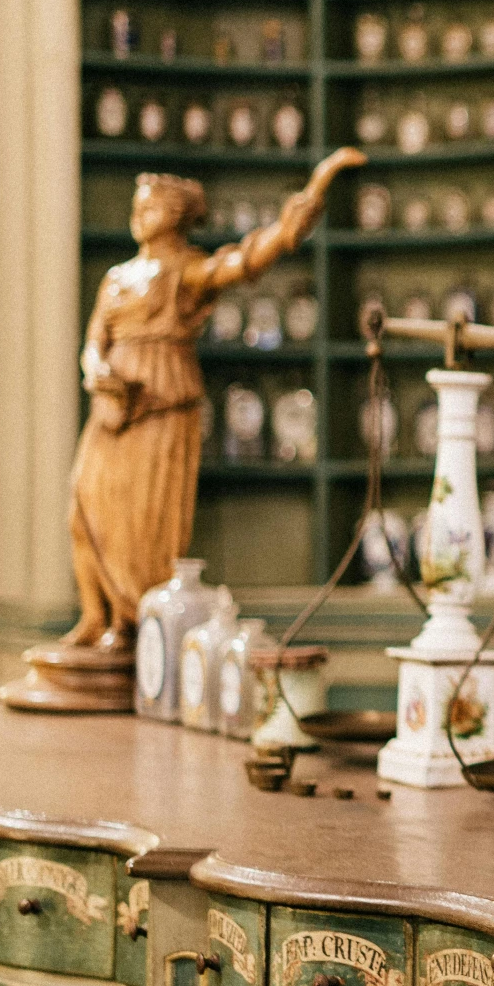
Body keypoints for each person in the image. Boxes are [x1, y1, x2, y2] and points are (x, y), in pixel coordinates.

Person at [63, 149, 362, 649]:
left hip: (163, 400)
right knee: (84, 505)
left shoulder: (187, 270)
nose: (140, 216)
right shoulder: (116, 278)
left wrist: (299, 214)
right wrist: (96, 368)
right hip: (114, 409)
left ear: (177, 216)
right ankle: (95, 614)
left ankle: (133, 622)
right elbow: (95, 340)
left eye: (151, 208)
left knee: (145, 518)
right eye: (138, 207)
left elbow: (244, 261)